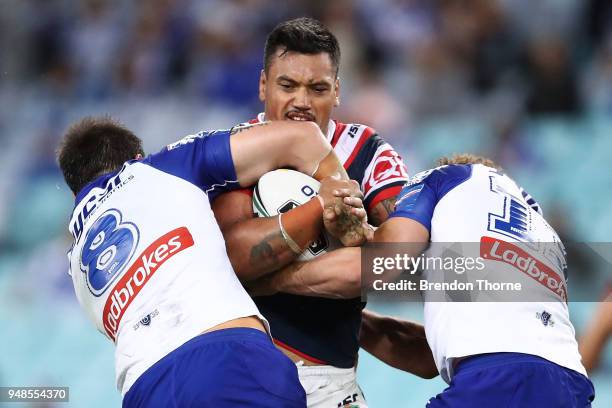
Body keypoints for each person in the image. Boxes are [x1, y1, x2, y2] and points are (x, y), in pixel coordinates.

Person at [57, 116, 367, 407]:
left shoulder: (75, 264)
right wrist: (340, 201)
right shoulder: (156, 168)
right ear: (138, 155)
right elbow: (303, 137)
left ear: (75, 194)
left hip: (142, 389)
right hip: (226, 359)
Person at [256, 154, 595, 407]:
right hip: (571, 386)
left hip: (496, 381)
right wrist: (349, 322)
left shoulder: (444, 177)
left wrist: (272, 283)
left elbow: (387, 260)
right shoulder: (543, 239)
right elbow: (427, 359)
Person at [212, 17, 410, 408]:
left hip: (330, 382)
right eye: (287, 86)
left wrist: (364, 232)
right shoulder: (233, 150)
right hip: (242, 373)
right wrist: (326, 219)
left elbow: (403, 260)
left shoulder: (369, 153)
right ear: (263, 85)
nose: (301, 101)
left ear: (336, 91)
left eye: (317, 88)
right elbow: (235, 258)